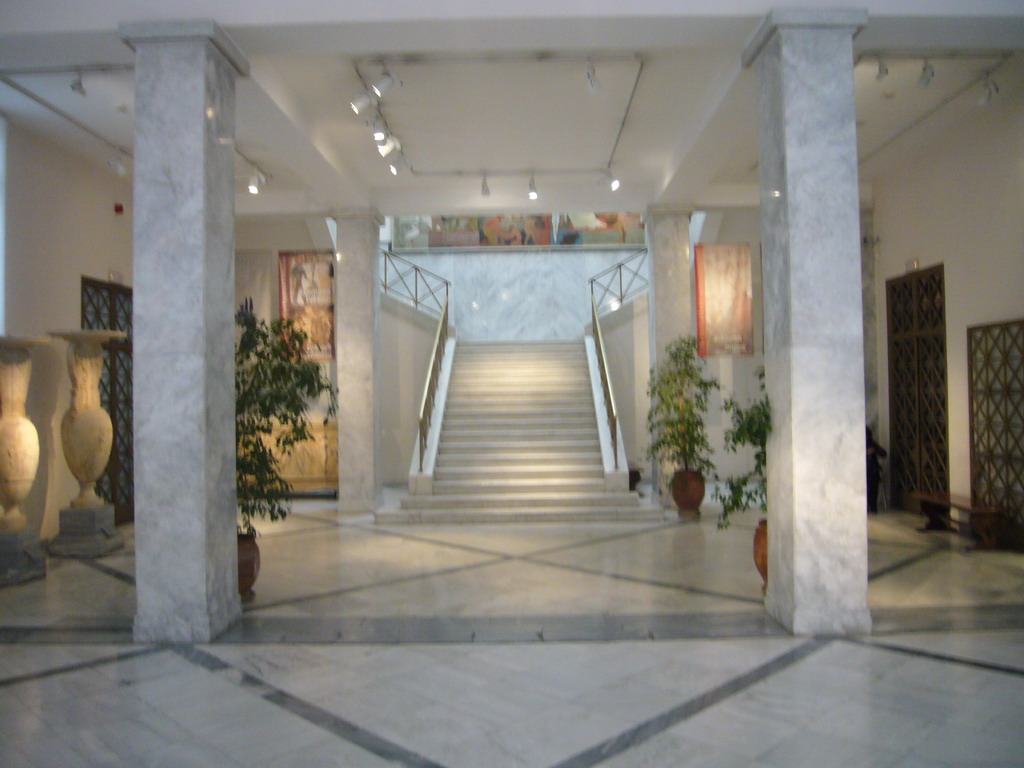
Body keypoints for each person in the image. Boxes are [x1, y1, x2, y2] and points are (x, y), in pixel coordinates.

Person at [866, 426, 887, 514]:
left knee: (873, 486)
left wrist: (874, 450)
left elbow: (883, 453)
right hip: (861, 471)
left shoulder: (872, 444)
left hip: (872, 470)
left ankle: (873, 507)